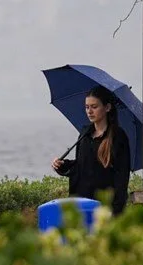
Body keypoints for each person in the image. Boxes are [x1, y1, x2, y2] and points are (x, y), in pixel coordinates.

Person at [51, 85, 131, 216]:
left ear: (107, 107)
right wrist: (62, 165)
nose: (89, 111)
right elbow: (81, 165)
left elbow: (122, 177)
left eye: (94, 107)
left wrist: (116, 210)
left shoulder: (118, 137)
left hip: (104, 208)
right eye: (87, 107)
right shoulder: (85, 133)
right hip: (81, 204)